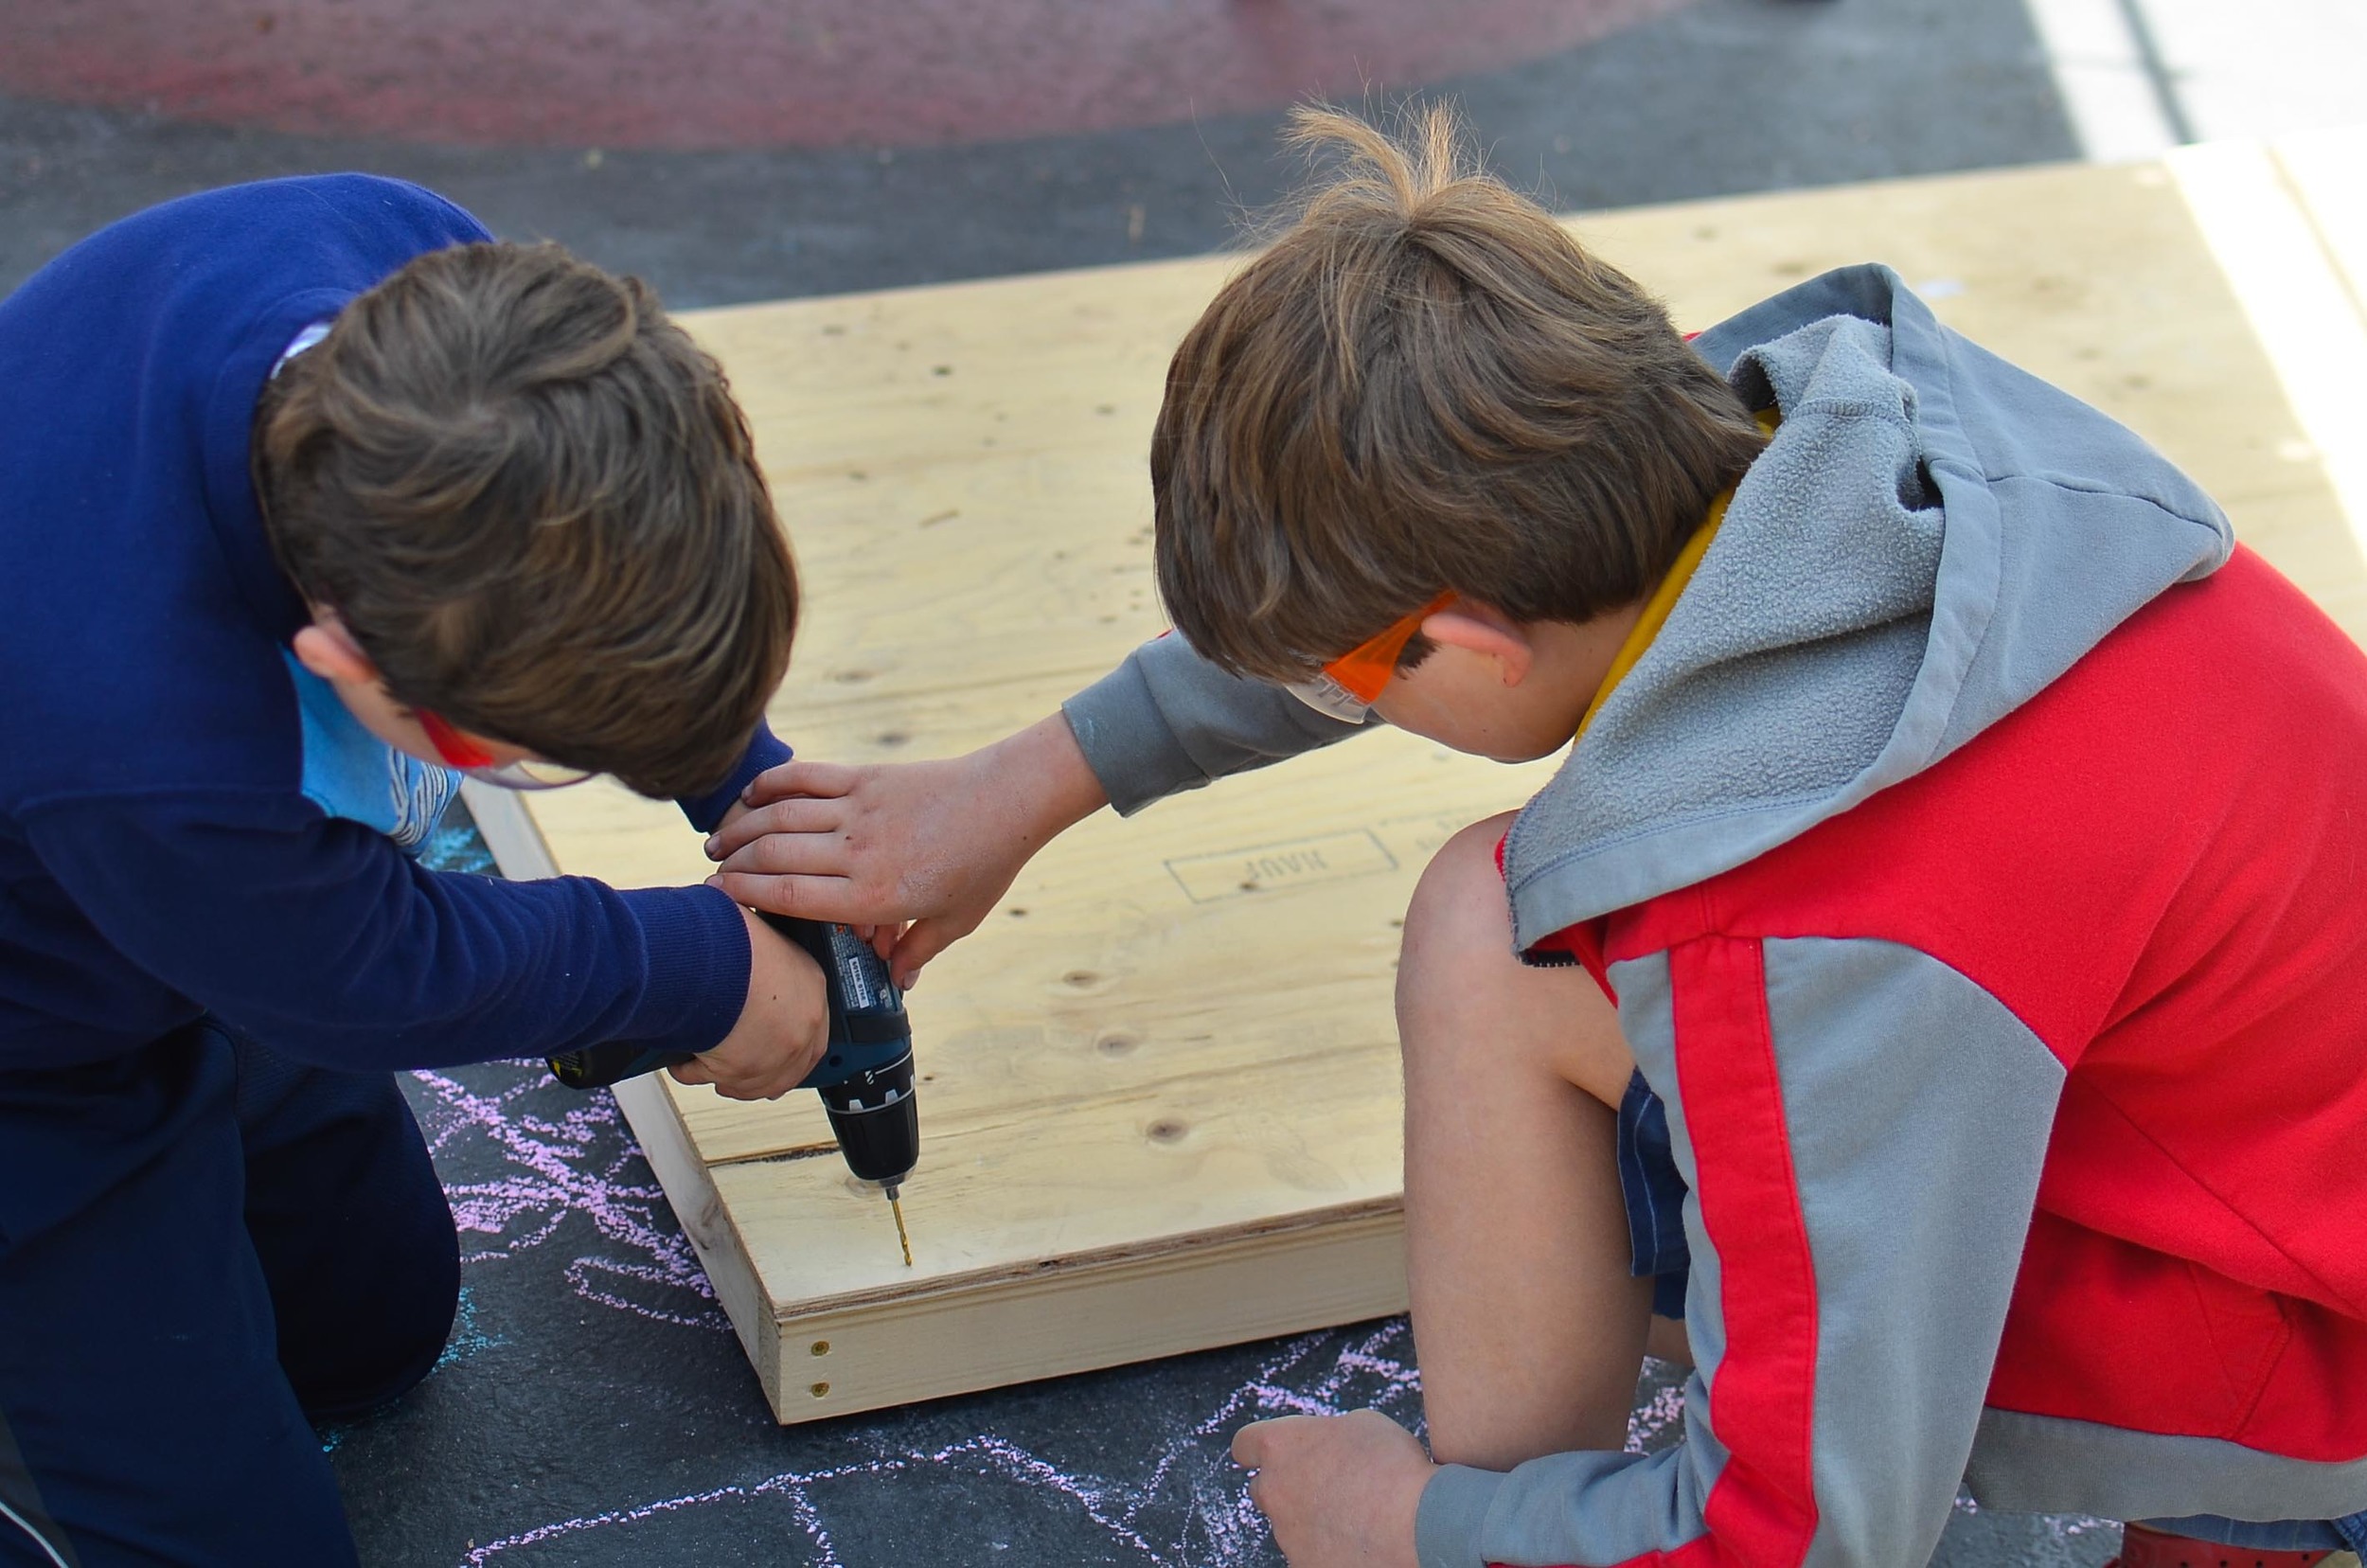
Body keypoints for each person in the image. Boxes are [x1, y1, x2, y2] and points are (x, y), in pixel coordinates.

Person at [701, 106, 2367, 1568]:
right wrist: (1029, 785)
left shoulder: (1809, 932)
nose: (1339, 700)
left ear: (1475, 646)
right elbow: (1415, 572)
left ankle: (2249, 1504)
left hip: (2330, 1346)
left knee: (1505, 944)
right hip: (2272, 1159)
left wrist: (1410, 1528)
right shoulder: (1846, 445)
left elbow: (1802, 1537)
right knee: (1505, 921)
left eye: (1351, 681)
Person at [0, 176, 832, 1567]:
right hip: (33, 1060)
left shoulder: (439, 301)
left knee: (375, 1337)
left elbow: (623, 561)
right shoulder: (152, 743)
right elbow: (373, 973)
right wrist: (700, 971)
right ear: (340, 661)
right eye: (525, 749)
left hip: (186, 907)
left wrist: (749, 787)